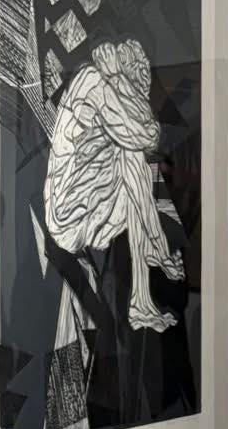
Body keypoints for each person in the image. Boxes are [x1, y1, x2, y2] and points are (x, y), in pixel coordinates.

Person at [42, 38, 183, 332]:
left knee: (130, 157)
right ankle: (152, 266)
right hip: (67, 215)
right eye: (138, 79)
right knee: (132, 153)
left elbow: (146, 128)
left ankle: (144, 292)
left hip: (87, 202)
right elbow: (147, 135)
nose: (141, 93)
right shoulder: (94, 81)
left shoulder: (107, 83)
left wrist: (121, 83)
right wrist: (118, 78)